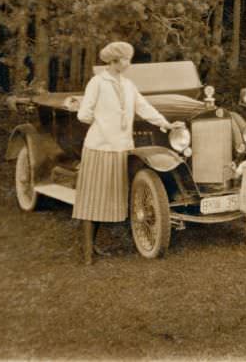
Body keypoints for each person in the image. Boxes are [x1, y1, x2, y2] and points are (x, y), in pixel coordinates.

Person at [73, 41, 184, 264]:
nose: (129, 63)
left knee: (105, 200)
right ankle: (87, 253)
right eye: (126, 59)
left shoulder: (128, 85)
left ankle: (93, 247)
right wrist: (104, 122)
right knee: (91, 200)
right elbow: (83, 114)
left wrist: (167, 124)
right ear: (115, 60)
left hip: (121, 149)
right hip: (99, 148)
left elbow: (144, 108)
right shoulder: (97, 83)